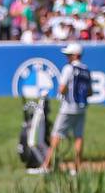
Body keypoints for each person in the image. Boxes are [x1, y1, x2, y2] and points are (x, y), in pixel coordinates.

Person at [35, 43, 92, 175]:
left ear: (75, 55)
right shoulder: (86, 69)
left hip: (68, 107)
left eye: (69, 55)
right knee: (78, 137)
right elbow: (90, 92)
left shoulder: (68, 69)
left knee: (56, 136)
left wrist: (64, 93)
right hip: (82, 107)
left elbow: (62, 88)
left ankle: (46, 165)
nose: (67, 57)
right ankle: (76, 168)